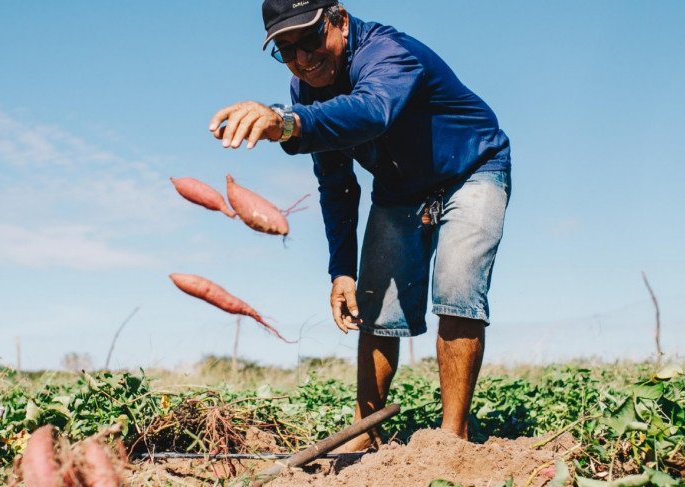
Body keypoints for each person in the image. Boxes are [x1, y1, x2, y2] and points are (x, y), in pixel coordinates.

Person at [209, 0, 511, 451]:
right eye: (286, 52)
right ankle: (364, 432)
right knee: (375, 303)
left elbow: (372, 111)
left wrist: (288, 123)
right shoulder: (306, 89)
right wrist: (342, 271)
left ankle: (453, 438)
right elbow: (336, 184)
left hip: (471, 169)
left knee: (457, 285)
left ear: (340, 19)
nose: (303, 61)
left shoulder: (388, 52)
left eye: (310, 40)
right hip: (399, 188)